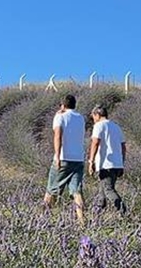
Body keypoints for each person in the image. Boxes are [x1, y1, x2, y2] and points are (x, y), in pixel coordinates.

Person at [44, 94, 87, 224]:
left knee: (51, 189)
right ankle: (82, 221)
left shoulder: (60, 117)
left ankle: (43, 219)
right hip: (78, 158)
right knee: (76, 191)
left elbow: (58, 135)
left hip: (63, 157)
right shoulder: (81, 118)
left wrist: (57, 156)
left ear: (62, 105)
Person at [87, 105, 127, 215]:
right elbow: (123, 146)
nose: (93, 120)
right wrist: (122, 162)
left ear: (97, 115)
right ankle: (97, 213)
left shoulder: (99, 126)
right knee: (102, 190)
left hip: (105, 164)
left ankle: (123, 210)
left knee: (108, 189)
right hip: (117, 164)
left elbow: (95, 143)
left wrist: (91, 161)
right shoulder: (116, 127)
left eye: (93, 117)